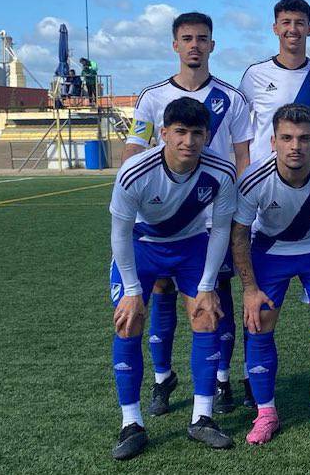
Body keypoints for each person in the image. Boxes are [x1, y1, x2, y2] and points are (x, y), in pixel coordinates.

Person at [124, 12, 252, 417]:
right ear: (174, 44)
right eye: (187, 38)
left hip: (212, 215)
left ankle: (222, 378)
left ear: (212, 45)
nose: (195, 44)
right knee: (160, 291)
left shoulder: (231, 98)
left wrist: (232, 208)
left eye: (202, 38)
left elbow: (244, 159)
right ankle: (163, 379)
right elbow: (133, 153)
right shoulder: (152, 98)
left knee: (216, 296)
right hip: (162, 218)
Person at [108, 97, 236, 460]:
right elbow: (119, 234)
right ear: (163, 133)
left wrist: (208, 286)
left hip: (190, 246)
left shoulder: (222, 172)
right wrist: (132, 291)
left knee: (206, 315)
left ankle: (203, 417)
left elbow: (221, 230)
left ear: (207, 136)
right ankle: (131, 423)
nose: (188, 141)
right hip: (141, 245)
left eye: (197, 133)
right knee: (128, 320)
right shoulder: (135, 171)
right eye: (179, 132)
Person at [231, 104, 310, 444]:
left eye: (304, 138)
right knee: (258, 322)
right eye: (287, 138)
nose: (295, 146)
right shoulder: (254, 179)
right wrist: (249, 289)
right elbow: (240, 233)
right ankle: (265, 413)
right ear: (273, 141)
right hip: (270, 252)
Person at [239, 0, 310, 164]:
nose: (292, 29)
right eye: (286, 22)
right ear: (275, 28)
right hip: (263, 174)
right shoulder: (255, 74)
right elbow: (238, 125)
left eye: (299, 22)